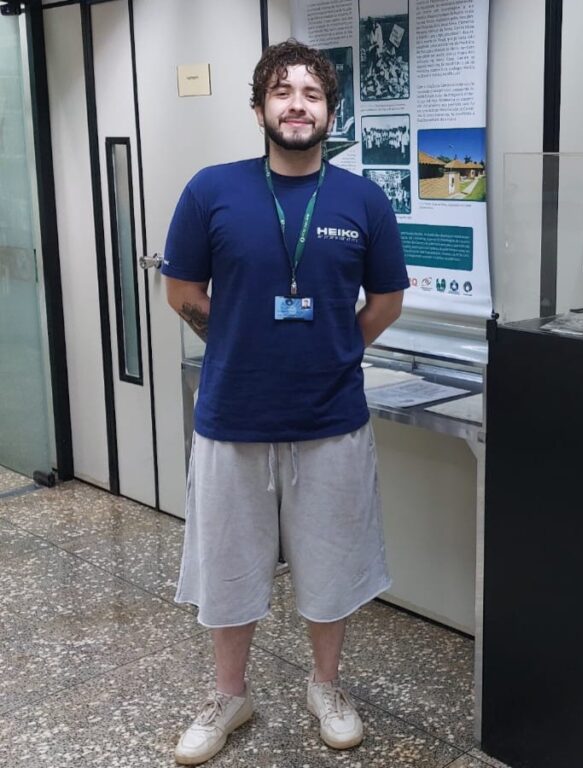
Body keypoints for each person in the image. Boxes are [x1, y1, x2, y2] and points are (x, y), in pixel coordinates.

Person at [161, 39, 408, 765]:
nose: (297, 104)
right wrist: (239, 344)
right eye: (282, 91)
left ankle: (325, 686)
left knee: (332, 566)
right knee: (228, 566)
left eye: (311, 93)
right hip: (232, 417)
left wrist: (333, 351)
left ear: (332, 111)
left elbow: (386, 302)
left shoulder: (362, 199)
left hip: (331, 421)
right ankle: (229, 695)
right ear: (259, 107)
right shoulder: (212, 190)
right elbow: (182, 294)